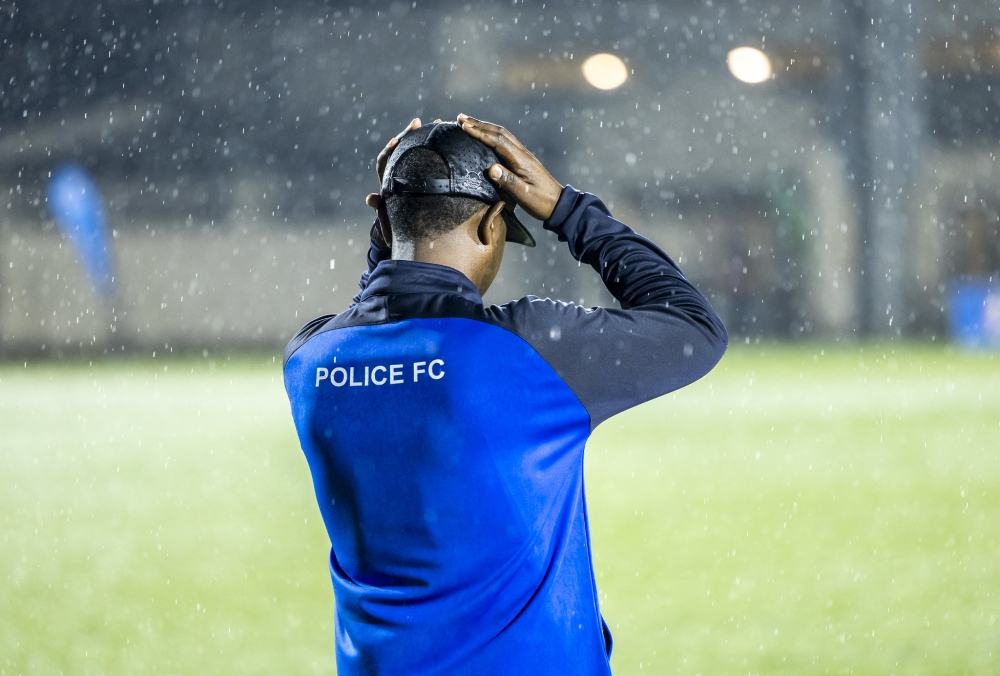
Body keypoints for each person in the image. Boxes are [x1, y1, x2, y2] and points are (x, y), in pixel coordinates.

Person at [283, 115, 728, 675]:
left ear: (382, 218)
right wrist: (568, 210)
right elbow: (694, 327)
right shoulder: (529, 352)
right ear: (492, 226)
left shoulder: (310, 362)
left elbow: (375, 317)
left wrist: (395, 222)